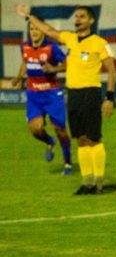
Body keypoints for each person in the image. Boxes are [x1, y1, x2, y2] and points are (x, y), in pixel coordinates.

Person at [16, 4, 116, 195]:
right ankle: (87, 183)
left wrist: (109, 98)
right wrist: (29, 16)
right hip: (74, 94)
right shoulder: (70, 39)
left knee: (94, 138)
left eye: (81, 16)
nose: (77, 19)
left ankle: (99, 182)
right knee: (80, 139)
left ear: (91, 21)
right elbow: (48, 30)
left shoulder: (99, 43)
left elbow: (112, 70)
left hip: (91, 93)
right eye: (76, 16)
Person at [11, 17, 72, 175]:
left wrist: (53, 69)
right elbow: (25, 62)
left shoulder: (52, 47)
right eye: (31, 29)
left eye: (37, 28)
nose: (34, 32)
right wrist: (19, 78)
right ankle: (50, 142)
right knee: (35, 130)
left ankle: (68, 163)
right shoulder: (24, 46)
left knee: (60, 130)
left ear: (43, 31)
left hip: (52, 94)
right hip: (33, 95)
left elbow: (67, 64)